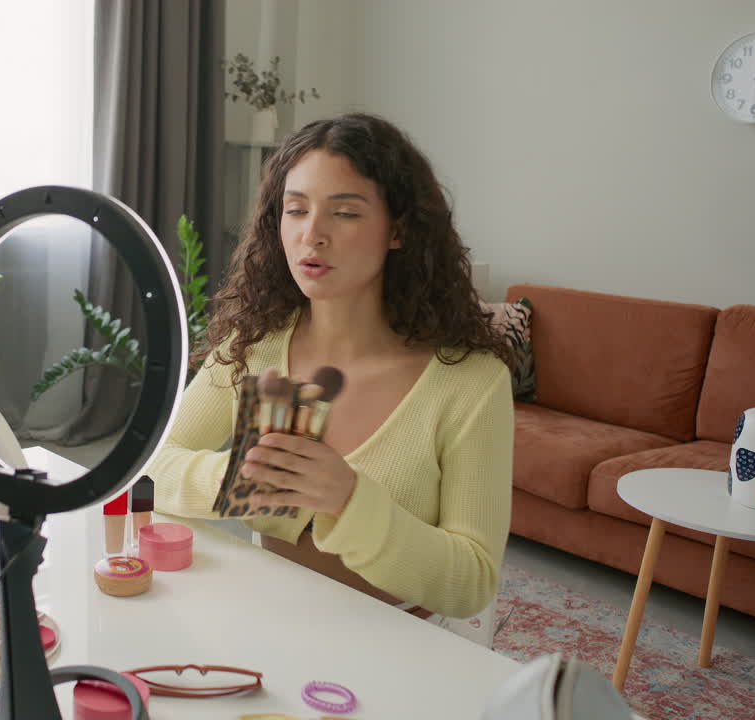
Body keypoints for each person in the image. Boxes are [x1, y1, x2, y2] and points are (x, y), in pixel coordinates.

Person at [148, 112, 514, 640]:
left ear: (399, 230)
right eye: (295, 210)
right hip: (264, 625)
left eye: (344, 213)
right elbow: (153, 470)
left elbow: (472, 580)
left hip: (399, 643)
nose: (311, 234)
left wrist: (350, 501)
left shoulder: (471, 382)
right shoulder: (255, 346)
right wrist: (235, 480)